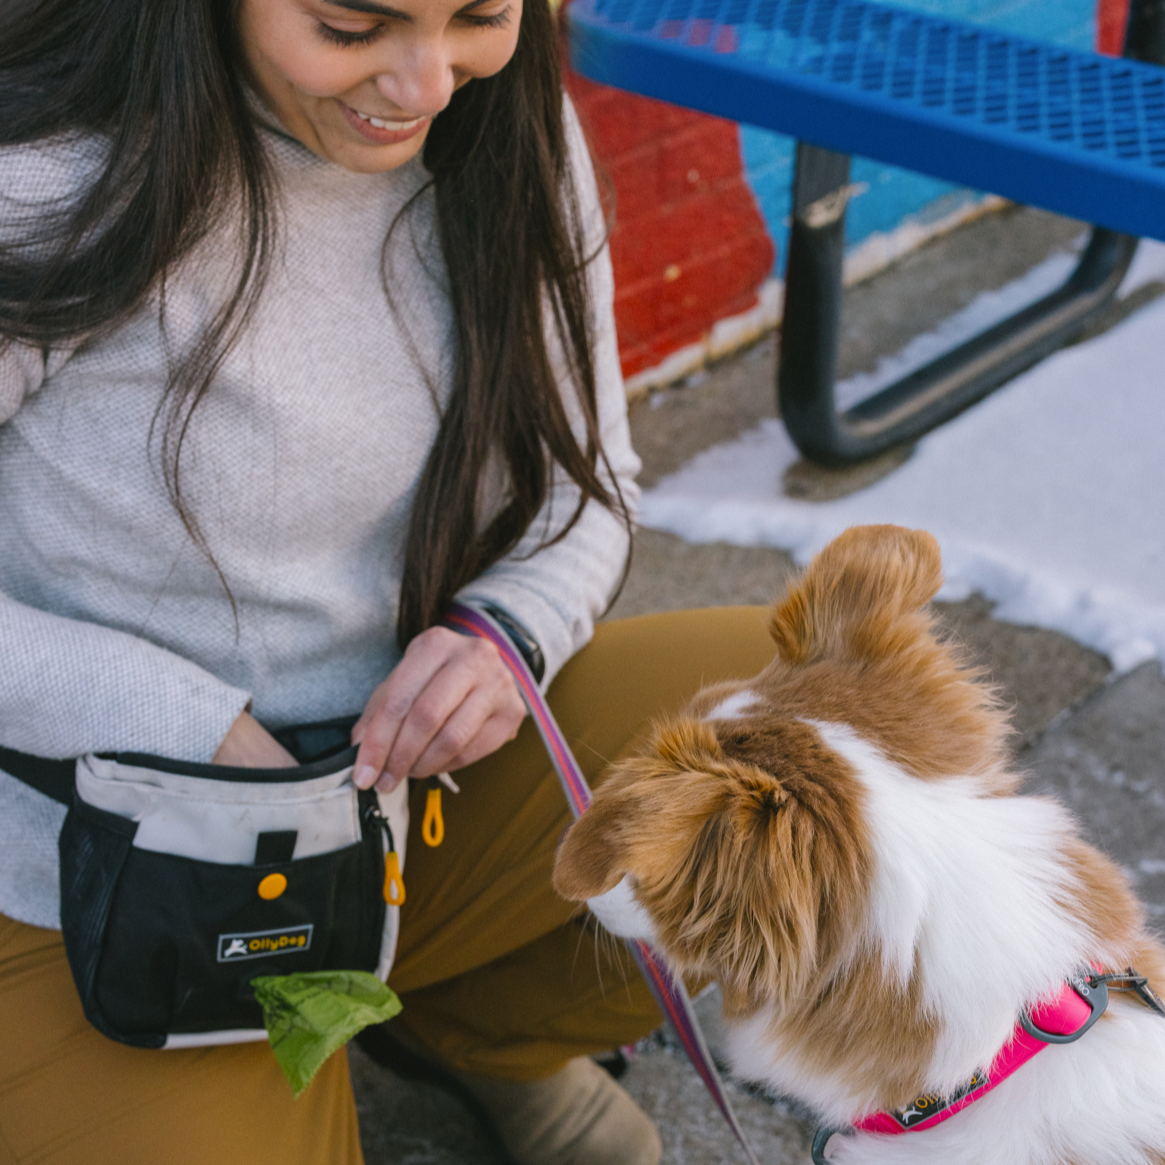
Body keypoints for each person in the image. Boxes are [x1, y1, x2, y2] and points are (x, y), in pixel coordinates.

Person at [0, 1, 778, 1163]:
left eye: (479, 15)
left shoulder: (507, 128)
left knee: (807, 746)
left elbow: (585, 482)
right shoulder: (45, 182)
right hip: (91, 855)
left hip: (402, 803)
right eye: (350, 25)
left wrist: (501, 637)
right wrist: (179, 723)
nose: (425, 87)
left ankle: (476, 1028)